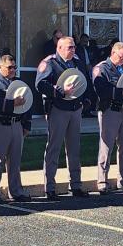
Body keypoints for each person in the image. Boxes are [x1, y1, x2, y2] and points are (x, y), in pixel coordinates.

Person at [36, 36, 96, 200]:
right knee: (54, 149)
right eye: (69, 47)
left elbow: (86, 82)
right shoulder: (50, 62)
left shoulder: (77, 62)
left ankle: (76, 185)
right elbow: (40, 84)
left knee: (75, 149)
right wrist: (60, 91)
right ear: (59, 47)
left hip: (75, 109)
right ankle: (50, 188)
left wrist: (87, 100)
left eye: (74, 47)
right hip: (58, 109)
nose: (73, 49)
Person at [0, 55, 32, 203]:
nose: (13, 70)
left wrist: (26, 124)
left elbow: (28, 102)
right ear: (0, 67)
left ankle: (16, 191)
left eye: (14, 67)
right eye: (9, 67)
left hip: (16, 124)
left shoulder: (18, 82)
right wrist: (12, 103)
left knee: (15, 161)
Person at [92, 42, 123, 194]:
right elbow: (101, 90)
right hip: (110, 110)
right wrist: (121, 91)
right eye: (121, 57)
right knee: (106, 147)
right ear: (113, 52)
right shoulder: (102, 68)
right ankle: (102, 180)